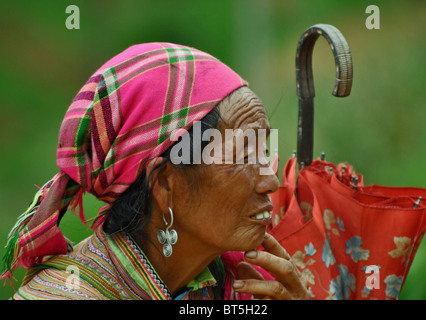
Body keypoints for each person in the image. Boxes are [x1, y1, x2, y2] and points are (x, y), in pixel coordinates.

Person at [1, 43, 309, 300]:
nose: (271, 181)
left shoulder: (231, 287)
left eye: (263, 151)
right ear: (165, 186)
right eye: (243, 156)